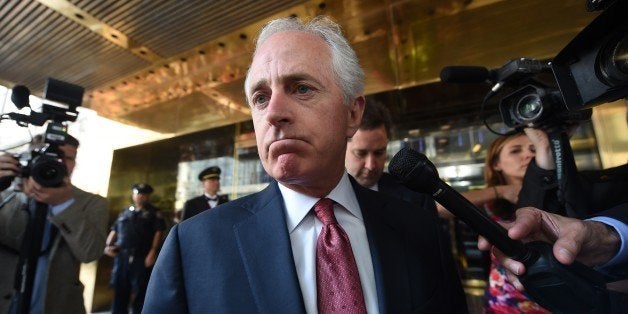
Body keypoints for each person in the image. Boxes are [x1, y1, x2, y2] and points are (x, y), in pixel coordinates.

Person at [143, 16, 467, 313]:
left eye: (301, 88)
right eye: (260, 97)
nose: (273, 112)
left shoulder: (420, 230)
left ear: (352, 114)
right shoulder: (192, 247)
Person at [0, 133, 109, 314]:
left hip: (56, 304)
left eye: (68, 158)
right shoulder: (5, 193)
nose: (59, 163)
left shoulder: (92, 203)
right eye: (49, 156)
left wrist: (64, 204)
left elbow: (91, 253)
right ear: (29, 158)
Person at [345, 99, 437, 217]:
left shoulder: (416, 198)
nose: (371, 165)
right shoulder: (323, 200)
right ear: (342, 147)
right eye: (361, 153)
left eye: (379, 152)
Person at [104, 183, 165, 314]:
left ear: (148, 196)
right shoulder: (125, 211)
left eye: (144, 195)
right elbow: (115, 229)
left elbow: (158, 232)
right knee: (120, 288)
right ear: (133, 195)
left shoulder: (154, 213)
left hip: (142, 255)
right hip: (122, 255)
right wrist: (107, 245)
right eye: (138, 194)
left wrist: (153, 253)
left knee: (141, 289)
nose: (140, 197)